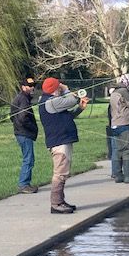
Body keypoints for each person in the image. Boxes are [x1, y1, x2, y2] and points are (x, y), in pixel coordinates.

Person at [38, 77, 90, 214]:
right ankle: (56, 204)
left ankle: (60, 201)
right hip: (59, 142)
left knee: (63, 172)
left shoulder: (52, 102)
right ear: (56, 89)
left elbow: (67, 116)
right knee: (60, 174)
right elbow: (71, 100)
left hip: (62, 140)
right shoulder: (51, 102)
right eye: (59, 87)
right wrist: (66, 89)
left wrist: (80, 108)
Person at [10, 77, 39, 194]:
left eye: (33, 85)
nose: (32, 88)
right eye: (29, 86)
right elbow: (23, 118)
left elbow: (12, 116)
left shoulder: (20, 98)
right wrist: (32, 127)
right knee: (29, 159)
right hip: (24, 133)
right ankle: (24, 184)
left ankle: (25, 184)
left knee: (28, 158)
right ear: (23, 87)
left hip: (20, 132)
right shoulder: (23, 99)